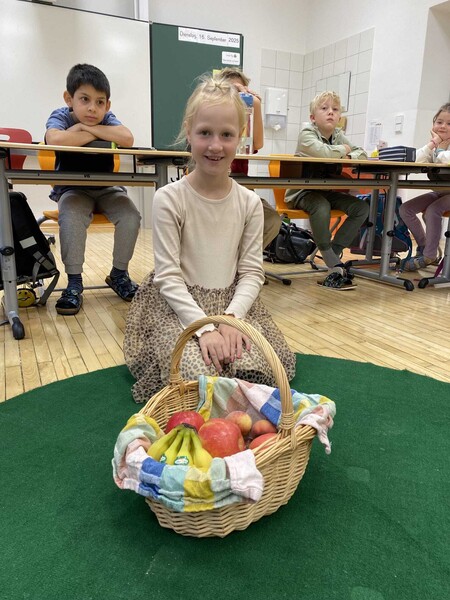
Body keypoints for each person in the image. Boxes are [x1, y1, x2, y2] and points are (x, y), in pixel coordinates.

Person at [124, 76, 296, 404]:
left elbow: (251, 272)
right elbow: (168, 277)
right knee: (197, 374)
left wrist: (231, 320)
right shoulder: (169, 198)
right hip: (179, 309)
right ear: (188, 132)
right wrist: (204, 329)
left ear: (239, 138)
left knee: (255, 369)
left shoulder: (249, 203)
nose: (215, 145)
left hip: (233, 308)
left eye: (226, 135)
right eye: (205, 133)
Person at [45, 63, 141, 315]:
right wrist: (100, 134)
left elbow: (127, 138)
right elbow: (55, 139)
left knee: (131, 216)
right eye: (84, 99)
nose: (92, 108)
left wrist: (83, 129)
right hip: (73, 189)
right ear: (69, 99)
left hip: (107, 188)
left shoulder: (107, 118)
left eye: (100, 102)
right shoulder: (61, 116)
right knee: (72, 218)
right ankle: (74, 282)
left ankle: (119, 274)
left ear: (107, 105)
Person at [285, 91, 369, 290]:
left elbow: (362, 154)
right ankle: (331, 258)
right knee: (321, 206)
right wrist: (345, 150)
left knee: (361, 208)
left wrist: (348, 155)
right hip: (302, 192)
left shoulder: (338, 135)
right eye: (324, 108)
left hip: (325, 191)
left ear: (339, 117)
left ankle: (333, 254)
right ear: (313, 117)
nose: (330, 112)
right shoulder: (306, 134)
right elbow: (323, 153)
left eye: (335, 109)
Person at [214, 67, 281, 250]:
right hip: (215, 188)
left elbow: (257, 144)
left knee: (271, 219)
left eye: (240, 91)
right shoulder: (211, 118)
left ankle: (242, 261)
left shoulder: (245, 124)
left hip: (241, 188)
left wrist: (254, 105)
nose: (235, 96)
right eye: (230, 90)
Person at [399, 103, 450, 271]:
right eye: (439, 122)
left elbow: (445, 159)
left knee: (432, 210)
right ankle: (424, 246)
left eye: (449, 123)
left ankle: (429, 256)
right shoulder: (436, 146)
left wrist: (439, 149)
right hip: (440, 192)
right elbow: (416, 160)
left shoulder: (443, 151)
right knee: (405, 209)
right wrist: (433, 144)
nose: (443, 126)